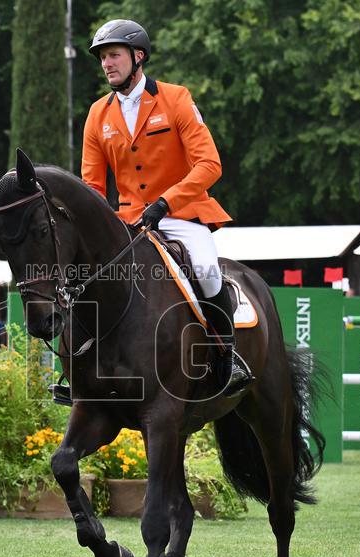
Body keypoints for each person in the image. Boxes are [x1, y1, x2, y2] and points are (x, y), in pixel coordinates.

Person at [81, 19, 250, 395]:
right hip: (127, 221)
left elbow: (210, 165)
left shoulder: (176, 99)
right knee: (88, 280)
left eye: (113, 55)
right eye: (102, 58)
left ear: (138, 56)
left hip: (180, 214)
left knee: (206, 270)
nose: (107, 63)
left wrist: (165, 202)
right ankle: (82, 368)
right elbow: (92, 186)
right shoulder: (97, 114)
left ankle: (228, 357)